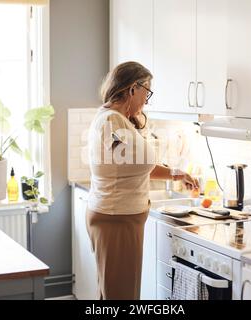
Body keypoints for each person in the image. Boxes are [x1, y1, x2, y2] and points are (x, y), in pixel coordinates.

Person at [86, 61, 199, 300]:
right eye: (147, 91)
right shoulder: (111, 121)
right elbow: (130, 159)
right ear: (132, 88)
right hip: (116, 219)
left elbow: (136, 166)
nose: (147, 99)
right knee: (120, 295)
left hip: (121, 218)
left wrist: (177, 173)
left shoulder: (118, 120)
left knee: (116, 292)